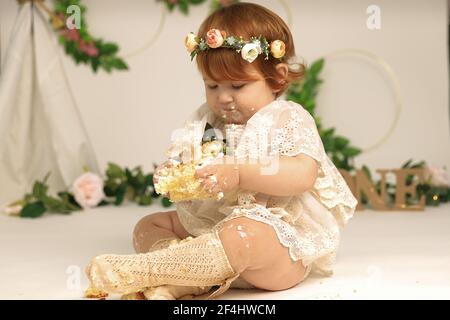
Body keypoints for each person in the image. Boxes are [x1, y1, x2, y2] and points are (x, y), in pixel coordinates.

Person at [85, 2, 358, 300]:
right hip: (211, 225)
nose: (223, 97)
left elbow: (303, 174)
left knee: (244, 232)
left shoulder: (285, 118)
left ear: (277, 78)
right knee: (149, 225)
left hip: (272, 243)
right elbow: (190, 158)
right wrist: (175, 171)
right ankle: (185, 276)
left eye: (238, 86)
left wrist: (240, 173)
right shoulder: (208, 121)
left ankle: (147, 271)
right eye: (212, 85)